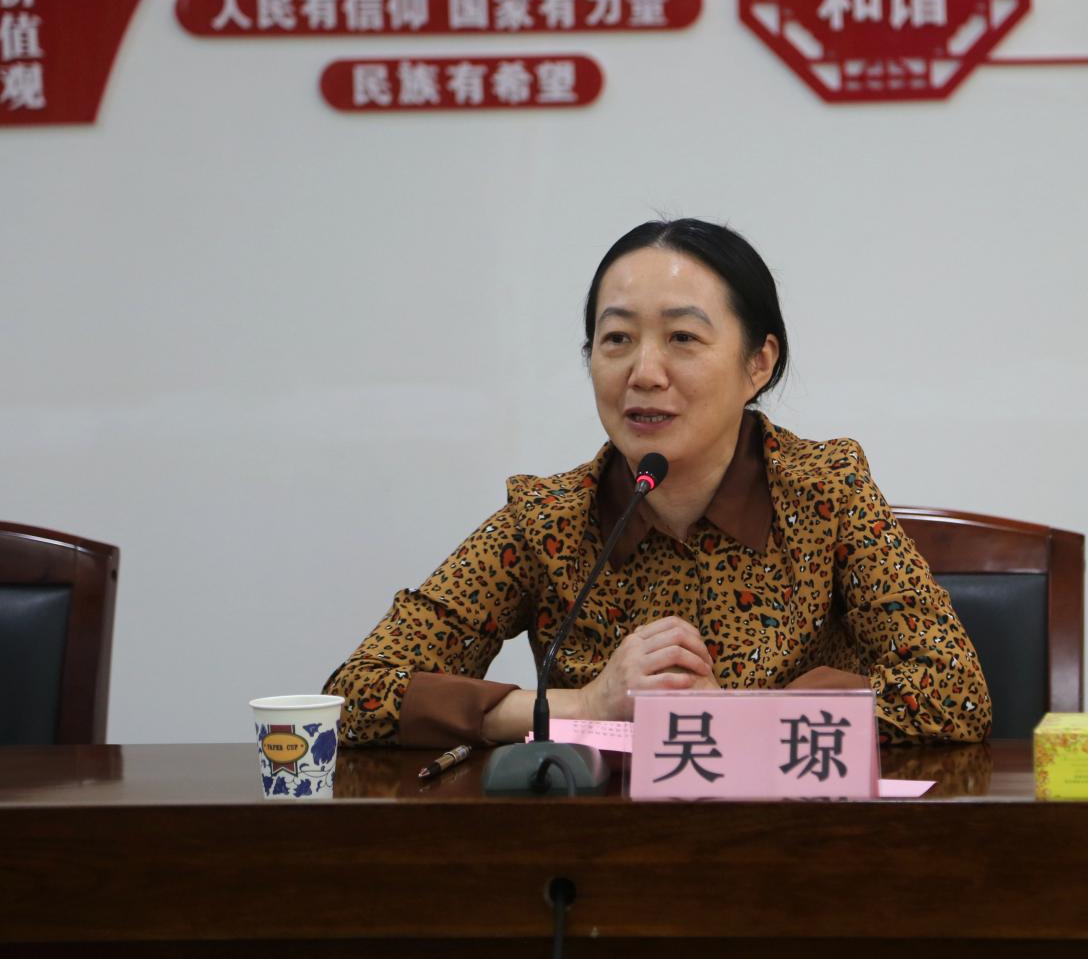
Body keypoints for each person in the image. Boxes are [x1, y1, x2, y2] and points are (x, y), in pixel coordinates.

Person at [324, 218, 991, 747]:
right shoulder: (548, 519)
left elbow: (953, 693)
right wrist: (581, 705)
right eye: (616, 339)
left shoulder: (825, 491)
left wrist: (734, 716)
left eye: (682, 338)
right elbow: (355, 696)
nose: (643, 372)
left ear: (758, 363)